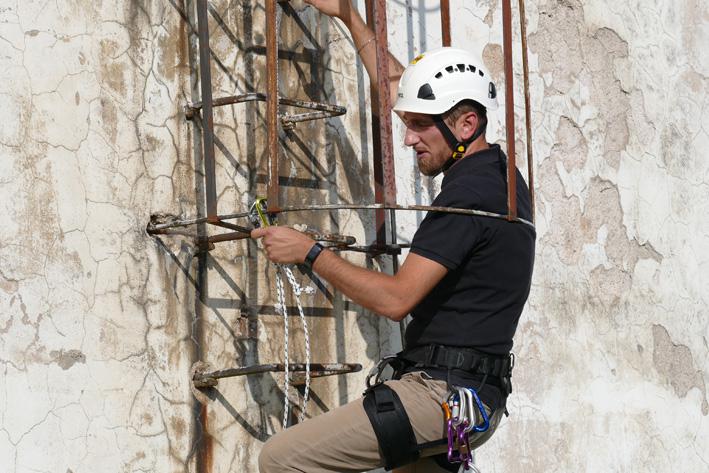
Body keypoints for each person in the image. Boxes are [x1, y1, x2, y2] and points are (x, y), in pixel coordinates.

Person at [252, 1, 535, 471]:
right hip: (471, 398)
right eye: (410, 124)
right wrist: (351, 17)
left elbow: (395, 299)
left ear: (466, 124)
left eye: (421, 126)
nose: (409, 138)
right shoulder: (500, 175)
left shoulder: (470, 194)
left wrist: (309, 252)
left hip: (440, 395)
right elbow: (402, 94)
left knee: (282, 460)